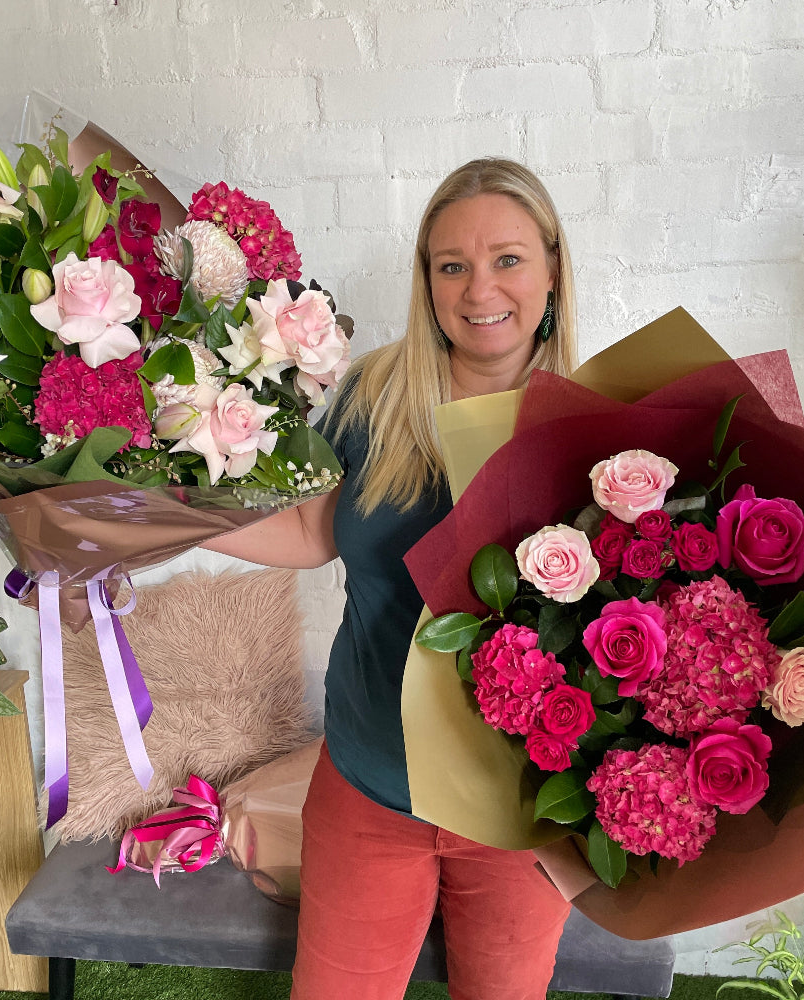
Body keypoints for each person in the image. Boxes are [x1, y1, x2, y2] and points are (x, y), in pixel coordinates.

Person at [203, 157, 578, 1000]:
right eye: (453, 265)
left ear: (552, 269)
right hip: (369, 786)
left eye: (508, 258)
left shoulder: (598, 428)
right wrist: (152, 522)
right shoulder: (376, 393)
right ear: (428, 280)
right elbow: (310, 531)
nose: (480, 288)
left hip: (519, 811)